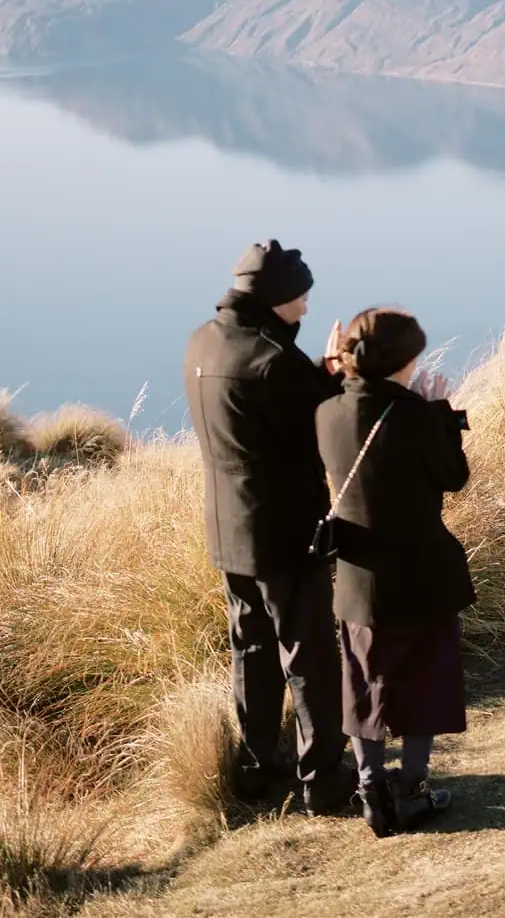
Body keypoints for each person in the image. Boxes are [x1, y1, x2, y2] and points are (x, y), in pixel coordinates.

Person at [184, 239, 351, 812]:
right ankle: (324, 781)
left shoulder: (203, 342)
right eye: (301, 297)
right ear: (279, 298)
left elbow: (265, 422)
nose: (306, 308)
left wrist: (318, 374)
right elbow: (322, 432)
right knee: (308, 658)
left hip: (228, 531)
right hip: (284, 536)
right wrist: (338, 378)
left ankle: (258, 770)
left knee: (251, 651)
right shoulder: (273, 362)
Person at [317, 307, 475, 837]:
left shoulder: (326, 413)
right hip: (422, 576)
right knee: (424, 681)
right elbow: (454, 478)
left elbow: (346, 404)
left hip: (359, 579)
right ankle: (411, 792)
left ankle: (371, 791)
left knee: (362, 682)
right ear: (405, 361)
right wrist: (440, 411)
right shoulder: (418, 415)